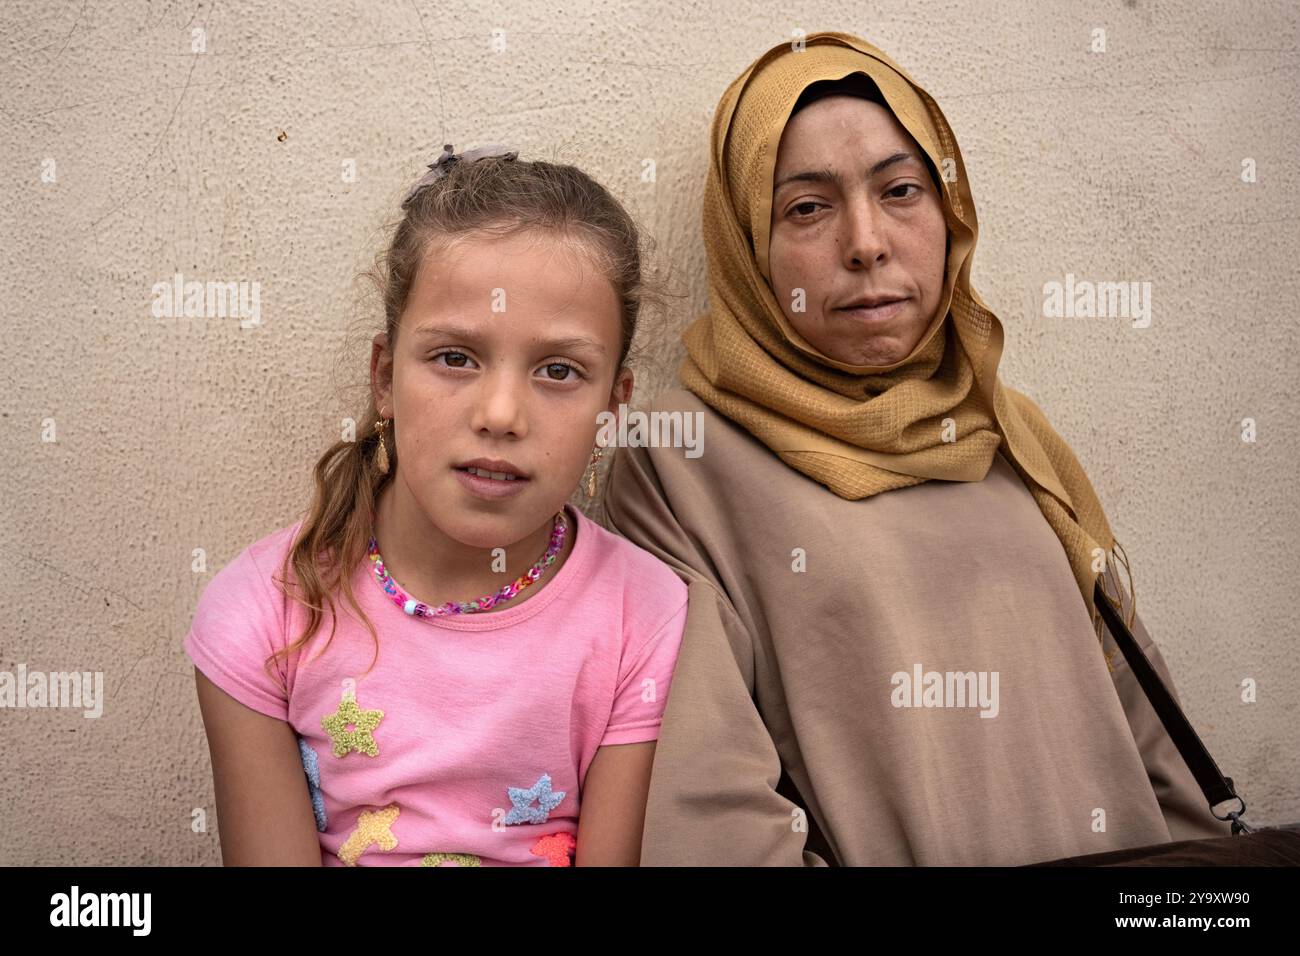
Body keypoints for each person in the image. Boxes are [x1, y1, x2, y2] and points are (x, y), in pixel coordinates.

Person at [600, 33, 1231, 866]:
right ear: (749, 245)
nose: (865, 242)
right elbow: (713, 811)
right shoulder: (680, 458)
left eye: (901, 190)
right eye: (807, 208)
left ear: (950, 214)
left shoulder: (1009, 432)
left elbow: (1151, 739)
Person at [185, 145, 687, 866]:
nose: (501, 413)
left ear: (613, 405)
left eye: (558, 370)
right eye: (455, 358)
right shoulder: (263, 616)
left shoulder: (645, 618)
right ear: (385, 378)